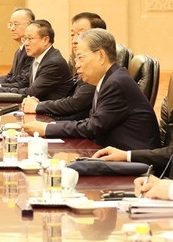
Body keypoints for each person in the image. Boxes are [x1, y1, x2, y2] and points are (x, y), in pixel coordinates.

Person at [23, 28, 160, 151]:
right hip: (111, 152)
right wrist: (50, 125)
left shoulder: (116, 83)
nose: (77, 65)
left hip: (133, 159)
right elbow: (91, 122)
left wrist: (47, 128)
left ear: (101, 55)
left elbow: (93, 128)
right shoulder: (107, 79)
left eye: (80, 58)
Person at [20, 12, 105, 120]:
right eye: (73, 35)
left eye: (81, 34)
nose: (75, 40)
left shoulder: (98, 71)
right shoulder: (79, 63)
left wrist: (38, 107)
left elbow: (75, 104)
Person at [0, 19, 74, 100]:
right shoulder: (38, 58)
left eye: (30, 39)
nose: (26, 43)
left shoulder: (53, 63)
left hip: (51, 110)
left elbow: (32, 93)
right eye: (25, 39)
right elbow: (23, 84)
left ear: (45, 40)